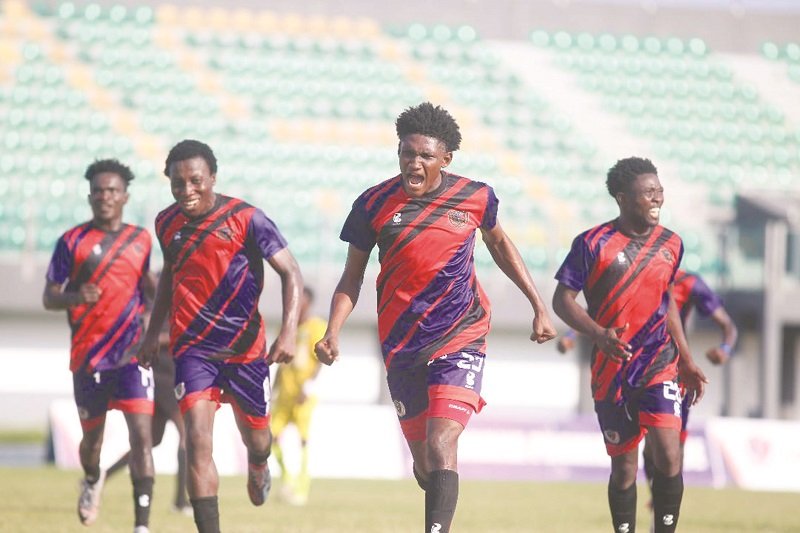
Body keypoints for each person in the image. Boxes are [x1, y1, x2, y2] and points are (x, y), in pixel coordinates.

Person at [314, 102, 557, 533]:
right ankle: (431, 486)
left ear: (445, 159)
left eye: (425, 155)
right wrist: (333, 331)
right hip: (401, 345)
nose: (414, 162)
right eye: (407, 153)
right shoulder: (372, 204)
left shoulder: (476, 196)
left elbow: (500, 246)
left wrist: (539, 305)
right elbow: (352, 277)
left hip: (460, 333)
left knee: (442, 440)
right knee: (427, 463)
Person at [137, 139, 303, 533]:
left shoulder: (248, 219)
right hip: (194, 351)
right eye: (178, 183)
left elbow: (291, 272)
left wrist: (289, 332)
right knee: (197, 440)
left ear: (212, 177)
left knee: (259, 439)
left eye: (195, 180)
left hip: (246, 352)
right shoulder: (166, 223)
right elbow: (168, 280)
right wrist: (150, 332)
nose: (187, 191)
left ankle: (259, 463)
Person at [553, 156, 709, 533]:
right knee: (623, 466)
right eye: (647, 193)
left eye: (659, 191)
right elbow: (563, 300)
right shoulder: (592, 244)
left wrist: (686, 359)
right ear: (623, 198)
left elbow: (666, 300)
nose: (657, 198)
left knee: (669, 453)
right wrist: (598, 334)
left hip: (659, 362)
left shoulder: (672, 243)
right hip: (612, 368)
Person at [43, 159, 156, 533]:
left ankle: (142, 525)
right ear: (90, 196)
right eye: (99, 191)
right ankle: (92, 479)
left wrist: (158, 323)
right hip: (88, 358)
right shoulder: (71, 241)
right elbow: (49, 297)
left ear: (125, 196)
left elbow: (150, 292)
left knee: (142, 436)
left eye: (112, 190)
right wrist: (75, 296)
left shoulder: (141, 240)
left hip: (132, 356)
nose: (105, 196)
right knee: (93, 443)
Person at [642, 269, 738, 514]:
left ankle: (663, 509)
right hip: (635, 367)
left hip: (673, 370)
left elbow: (728, 325)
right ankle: (658, 499)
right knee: (647, 448)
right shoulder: (637, 272)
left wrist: (725, 348)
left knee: (672, 446)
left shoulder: (689, 282)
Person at [105, 291, 191, 515]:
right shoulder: (154, 305)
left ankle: (102, 476)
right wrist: (177, 337)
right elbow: (148, 335)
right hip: (162, 377)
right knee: (187, 434)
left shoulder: (181, 304)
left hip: (171, 375)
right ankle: (181, 501)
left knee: (150, 441)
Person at [270, 286, 327, 505]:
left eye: (299, 299)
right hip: (284, 394)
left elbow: (320, 359)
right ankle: (287, 479)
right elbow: (280, 361)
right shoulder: (288, 328)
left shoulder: (316, 326)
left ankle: (302, 487)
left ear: (308, 302)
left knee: (302, 440)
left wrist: (309, 386)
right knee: (271, 437)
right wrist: (273, 390)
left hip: (303, 394)